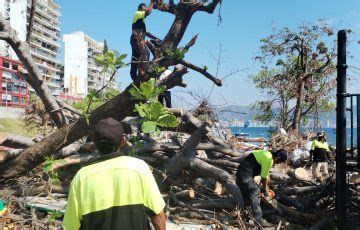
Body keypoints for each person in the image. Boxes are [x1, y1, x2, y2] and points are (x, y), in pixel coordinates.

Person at [63, 118, 166, 230]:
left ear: (94, 141)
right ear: (122, 142)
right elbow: (158, 214)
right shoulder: (139, 168)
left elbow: (71, 226)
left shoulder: (82, 177)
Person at [236, 149, 288, 228]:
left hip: (240, 175)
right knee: (255, 191)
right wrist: (267, 192)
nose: (277, 163)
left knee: (248, 196)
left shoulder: (266, 154)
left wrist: (266, 189)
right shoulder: (269, 159)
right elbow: (263, 180)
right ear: (277, 158)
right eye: (279, 162)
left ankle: (247, 214)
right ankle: (258, 219)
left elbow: (266, 177)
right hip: (244, 175)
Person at [130, 0, 161, 82]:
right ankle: (143, 72)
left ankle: (134, 77)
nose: (147, 7)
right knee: (146, 52)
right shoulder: (137, 13)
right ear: (141, 8)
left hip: (135, 40)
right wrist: (152, 2)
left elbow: (146, 33)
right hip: (136, 39)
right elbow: (148, 12)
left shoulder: (141, 21)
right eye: (145, 6)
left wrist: (155, 38)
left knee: (135, 59)